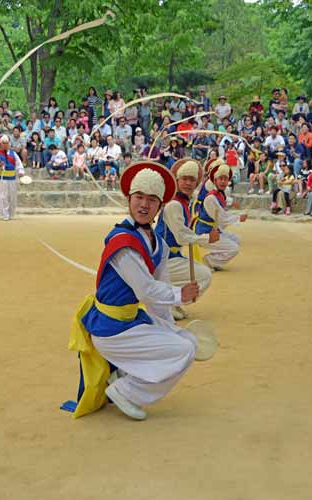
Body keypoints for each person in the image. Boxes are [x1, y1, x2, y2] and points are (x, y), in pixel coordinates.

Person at [71, 161, 199, 420]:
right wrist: (179, 295)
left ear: (159, 206)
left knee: (189, 342)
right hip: (110, 329)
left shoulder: (159, 245)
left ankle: (127, 376)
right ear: (129, 200)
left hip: (130, 321)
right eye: (139, 197)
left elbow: (158, 296)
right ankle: (128, 390)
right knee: (183, 351)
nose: (144, 205)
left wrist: (168, 327)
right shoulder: (123, 242)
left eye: (152, 200)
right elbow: (147, 290)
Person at [155, 159, 214, 320]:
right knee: (204, 275)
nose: (188, 183)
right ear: (177, 180)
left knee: (198, 273)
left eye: (192, 179)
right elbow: (181, 237)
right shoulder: (174, 204)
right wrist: (207, 238)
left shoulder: (184, 202)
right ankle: (166, 302)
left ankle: (171, 301)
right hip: (161, 259)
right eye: (184, 179)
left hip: (172, 256)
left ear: (196, 183)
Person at [192, 162, 247, 270]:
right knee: (233, 248)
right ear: (215, 180)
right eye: (220, 179)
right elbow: (222, 219)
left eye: (225, 179)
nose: (223, 181)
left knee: (236, 240)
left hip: (212, 228)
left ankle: (215, 256)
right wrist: (238, 218)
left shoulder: (219, 193)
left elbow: (222, 210)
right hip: (204, 231)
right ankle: (208, 261)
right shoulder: (211, 197)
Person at [0, 134, 24, 220]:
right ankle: (5, 214)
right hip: (1, 178)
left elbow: (19, 164)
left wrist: (20, 172)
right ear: (0, 144)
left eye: (7, 143)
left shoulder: (13, 153)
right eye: (4, 143)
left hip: (12, 178)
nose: (6, 144)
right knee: (3, 196)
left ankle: (11, 213)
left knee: (13, 197)